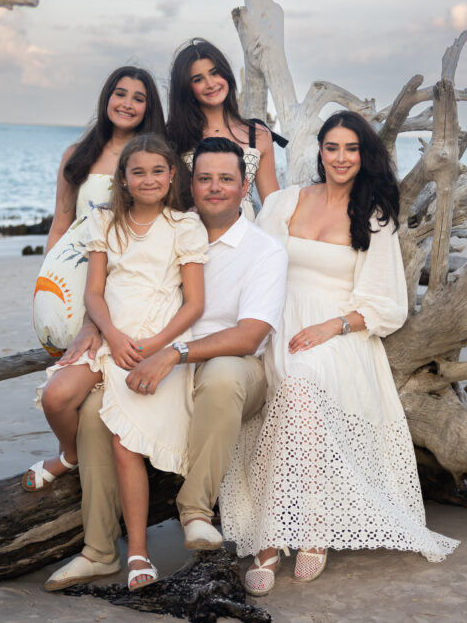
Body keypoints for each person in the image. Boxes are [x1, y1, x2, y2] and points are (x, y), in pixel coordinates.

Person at [218, 111, 459, 597]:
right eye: (332, 148)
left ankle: (304, 530)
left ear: (363, 155)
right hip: (276, 321)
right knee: (283, 389)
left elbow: (388, 304)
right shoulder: (286, 202)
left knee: (302, 386)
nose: (341, 158)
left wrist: (332, 325)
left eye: (351, 149)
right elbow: (250, 264)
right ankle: (275, 533)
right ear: (320, 152)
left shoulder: (373, 216)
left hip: (338, 332)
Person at [43, 137, 288, 592]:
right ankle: (99, 550)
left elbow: (250, 336)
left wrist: (172, 353)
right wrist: (96, 328)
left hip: (229, 367)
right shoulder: (171, 225)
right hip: (161, 359)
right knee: (96, 416)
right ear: (189, 183)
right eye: (206, 179)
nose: (215, 188)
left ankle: (194, 510)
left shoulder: (264, 250)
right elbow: (117, 286)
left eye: (226, 180)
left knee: (224, 374)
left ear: (244, 185)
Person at [27, 134, 208, 590]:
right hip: (112, 334)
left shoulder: (184, 225)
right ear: (123, 180)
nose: (148, 179)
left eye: (157, 171)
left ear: (171, 176)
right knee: (56, 395)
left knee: (125, 443)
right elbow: (92, 291)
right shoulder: (105, 221)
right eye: (138, 172)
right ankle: (67, 455)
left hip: (156, 338)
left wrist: (156, 345)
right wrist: (109, 332)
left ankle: (138, 556)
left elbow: (194, 305)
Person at [33, 66, 165, 356]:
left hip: (125, 275)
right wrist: (50, 277)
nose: (127, 104)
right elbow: (60, 226)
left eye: (138, 98)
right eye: (120, 94)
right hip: (77, 274)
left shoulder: (153, 161)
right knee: (68, 352)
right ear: (107, 98)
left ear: (149, 107)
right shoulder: (76, 155)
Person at [166, 38, 283, 218]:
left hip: (244, 233)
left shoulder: (258, 134)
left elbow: (273, 207)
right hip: (190, 234)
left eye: (215, 73)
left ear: (226, 74)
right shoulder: (174, 136)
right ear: (186, 88)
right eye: (198, 79)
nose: (211, 84)